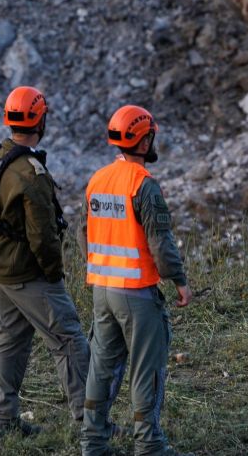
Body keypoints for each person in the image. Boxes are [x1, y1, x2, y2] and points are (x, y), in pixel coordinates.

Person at [82, 105, 193, 456]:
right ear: (144, 141)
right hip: (136, 296)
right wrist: (179, 279)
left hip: (102, 290)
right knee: (147, 369)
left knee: (102, 366)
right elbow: (161, 244)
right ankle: (149, 445)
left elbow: (89, 233)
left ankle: (93, 442)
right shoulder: (144, 186)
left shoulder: (97, 180)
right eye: (151, 135)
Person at [0, 86, 89, 438]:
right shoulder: (31, 172)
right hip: (27, 273)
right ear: (40, 120)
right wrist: (55, 274)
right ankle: (92, 424)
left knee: (9, 341)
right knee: (69, 339)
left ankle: (4, 423)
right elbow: (43, 236)